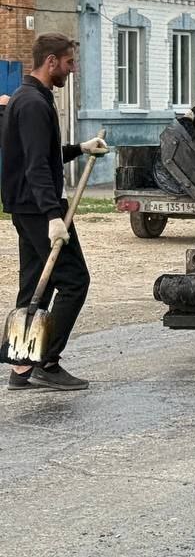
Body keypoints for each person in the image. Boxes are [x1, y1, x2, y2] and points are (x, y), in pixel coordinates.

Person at [3, 33, 109, 390]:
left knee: (35, 283)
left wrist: (79, 148)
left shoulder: (29, 97)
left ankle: (20, 366)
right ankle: (45, 360)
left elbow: (43, 155)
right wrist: (52, 216)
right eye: (68, 62)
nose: (71, 69)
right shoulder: (33, 103)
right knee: (75, 280)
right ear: (51, 62)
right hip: (38, 207)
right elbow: (35, 166)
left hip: (28, 205)